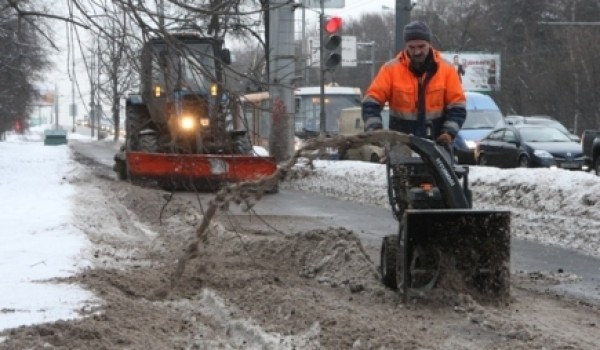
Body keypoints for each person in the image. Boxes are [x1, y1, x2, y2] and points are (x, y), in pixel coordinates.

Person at [362, 21, 466, 147]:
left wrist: (448, 133)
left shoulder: (447, 70)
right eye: (412, 47)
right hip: (401, 145)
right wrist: (374, 128)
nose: (417, 52)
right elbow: (371, 102)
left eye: (421, 46)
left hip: (438, 145)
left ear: (429, 44)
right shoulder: (390, 70)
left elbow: (457, 107)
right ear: (406, 46)